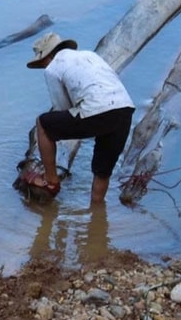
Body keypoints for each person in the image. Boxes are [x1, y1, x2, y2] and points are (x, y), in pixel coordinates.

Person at [26, 30, 134, 197]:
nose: (44, 68)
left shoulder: (53, 68)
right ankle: (96, 213)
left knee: (43, 124)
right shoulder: (90, 55)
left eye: (42, 64)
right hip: (124, 109)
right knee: (102, 172)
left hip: (97, 110)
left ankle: (51, 181)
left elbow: (63, 107)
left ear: (47, 57)